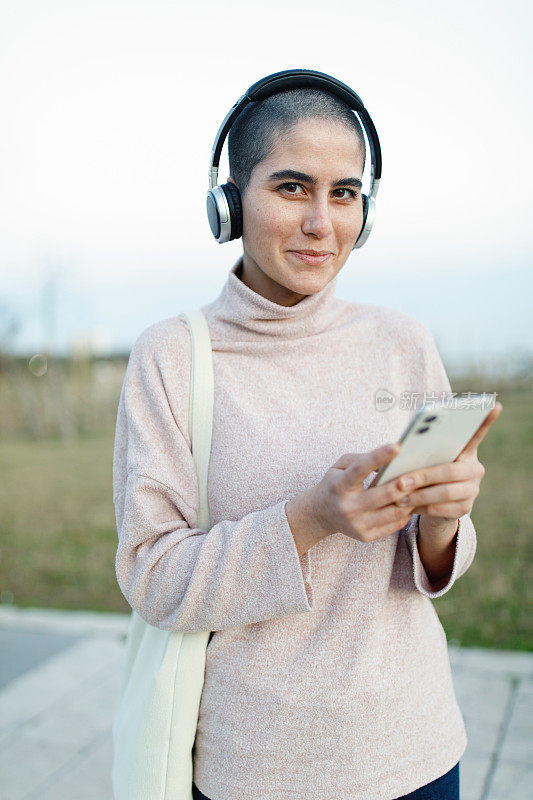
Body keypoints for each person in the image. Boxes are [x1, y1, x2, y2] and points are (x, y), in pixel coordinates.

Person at [112, 73, 502, 800]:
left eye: (344, 193)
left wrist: (445, 520)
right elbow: (153, 579)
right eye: (292, 187)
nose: (322, 221)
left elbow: (435, 564)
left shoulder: (402, 341)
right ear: (227, 202)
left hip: (417, 751)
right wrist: (309, 520)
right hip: (258, 772)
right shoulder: (172, 357)